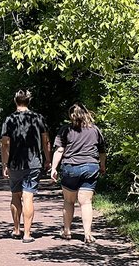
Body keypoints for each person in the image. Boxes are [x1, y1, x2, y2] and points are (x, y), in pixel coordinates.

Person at [50, 103, 106, 244]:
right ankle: (87, 234)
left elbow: (59, 150)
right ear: (86, 113)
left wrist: (54, 168)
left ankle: (67, 231)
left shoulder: (65, 130)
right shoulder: (95, 130)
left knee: (69, 201)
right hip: (91, 167)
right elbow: (102, 151)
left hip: (71, 167)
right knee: (86, 202)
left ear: (71, 116)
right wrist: (102, 166)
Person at [1, 89, 51, 243]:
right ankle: (27, 234)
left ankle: (16, 230)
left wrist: (5, 164)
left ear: (15, 101)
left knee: (15, 195)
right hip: (33, 162)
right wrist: (47, 159)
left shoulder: (9, 119)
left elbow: (5, 144)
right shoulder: (38, 118)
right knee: (28, 196)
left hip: (15, 163)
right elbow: (46, 141)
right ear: (29, 101)